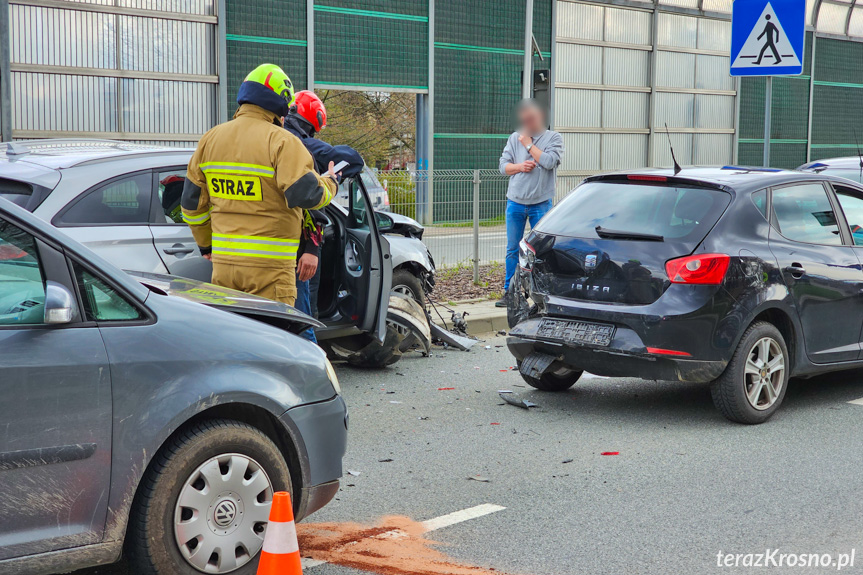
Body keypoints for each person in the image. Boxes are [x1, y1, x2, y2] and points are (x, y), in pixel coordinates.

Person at [181, 64, 339, 307]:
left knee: (236, 338)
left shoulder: (210, 139)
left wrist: (206, 244)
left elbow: (191, 205)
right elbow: (307, 193)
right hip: (271, 273)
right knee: (272, 342)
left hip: (224, 268)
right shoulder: (283, 141)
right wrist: (330, 183)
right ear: (282, 100)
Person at [283, 90, 364, 340]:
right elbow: (352, 159)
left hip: (250, 254)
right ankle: (313, 369)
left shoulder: (261, 142)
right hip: (295, 248)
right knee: (303, 317)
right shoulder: (299, 145)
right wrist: (330, 179)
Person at [497, 99, 564, 307]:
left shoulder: (554, 138)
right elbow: (503, 167)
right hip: (515, 202)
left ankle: (540, 292)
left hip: (541, 204)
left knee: (540, 250)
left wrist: (528, 144)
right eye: (524, 119)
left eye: (531, 119)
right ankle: (511, 292)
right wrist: (519, 166)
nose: (527, 123)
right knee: (512, 249)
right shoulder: (514, 138)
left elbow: (549, 162)